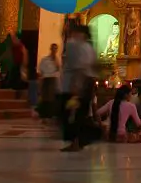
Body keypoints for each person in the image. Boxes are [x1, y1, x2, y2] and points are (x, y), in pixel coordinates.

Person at [61, 24, 97, 152]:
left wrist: (76, 85)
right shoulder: (86, 47)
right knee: (79, 113)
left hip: (80, 82)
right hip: (85, 82)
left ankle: (76, 142)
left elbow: (81, 67)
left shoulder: (80, 47)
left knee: (75, 114)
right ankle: (78, 141)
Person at [37, 43, 60, 121]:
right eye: (53, 48)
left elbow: (58, 70)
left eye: (56, 48)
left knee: (52, 98)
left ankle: (50, 114)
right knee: (45, 97)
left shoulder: (57, 60)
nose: (54, 50)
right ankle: (44, 114)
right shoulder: (45, 59)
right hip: (46, 79)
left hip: (53, 79)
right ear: (51, 49)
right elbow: (41, 70)